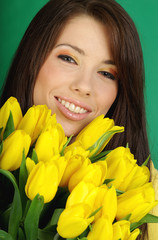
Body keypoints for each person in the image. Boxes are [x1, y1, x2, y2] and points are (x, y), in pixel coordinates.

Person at [0, 0, 157, 239]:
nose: (84, 86)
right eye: (68, 58)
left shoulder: (147, 195)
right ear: (32, 57)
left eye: (106, 73)